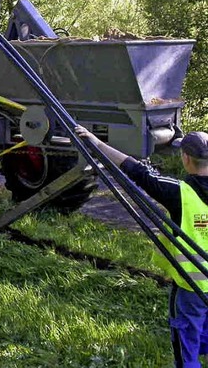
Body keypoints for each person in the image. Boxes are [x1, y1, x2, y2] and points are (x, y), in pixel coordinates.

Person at [75, 125, 208, 367]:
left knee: (186, 346)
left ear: (186, 158)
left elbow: (138, 172)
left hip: (192, 286)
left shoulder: (180, 193)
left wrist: (97, 144)